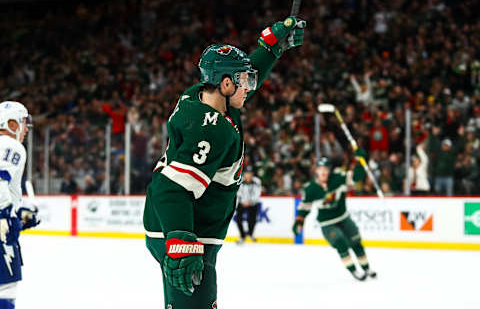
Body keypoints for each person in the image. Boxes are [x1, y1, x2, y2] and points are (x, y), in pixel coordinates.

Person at [143, 16, 306, 308]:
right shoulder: (212, 129)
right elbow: (170, 187)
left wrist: (270, 47)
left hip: (179, 227)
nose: (250, 86)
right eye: (245, 80)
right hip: (185, 231)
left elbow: (239, 80)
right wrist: (181, 241)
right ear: (226, 84)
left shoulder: (198, 96)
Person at [292, 153, 377, 281]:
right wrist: (299, 221)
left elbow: (356, 178)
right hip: (327, 223)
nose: (323, 172)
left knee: (356, 242)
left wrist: (360, 161)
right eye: (320, 170)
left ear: (329, 170)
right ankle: (354, 271)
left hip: (343, 217)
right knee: (340, 242)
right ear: (316, 171)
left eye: (325, 169)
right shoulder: (311, 188)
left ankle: (366, 268)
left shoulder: (339, 178)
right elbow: (304, 207)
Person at [0, 101, 40, 308]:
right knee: (5, 289)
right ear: (11, 124)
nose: (26, 129)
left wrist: (18, 215)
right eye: (23, 123)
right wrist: (6, 217)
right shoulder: (10, 145)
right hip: (1, 228)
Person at [235, 166, 262, 244]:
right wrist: (242, 202)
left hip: (252, 203)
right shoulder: (240, 180)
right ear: (244, 174)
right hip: (242, 202)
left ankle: (250, 234)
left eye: (250, 173)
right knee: (238, 219)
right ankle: (242, 236)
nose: (248, 175)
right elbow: (238, 192)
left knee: (252, 219)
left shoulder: (257, 181)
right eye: (247, 173)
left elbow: (257, 193)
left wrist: (250, 201)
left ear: (252, 174)